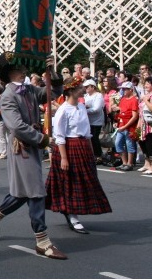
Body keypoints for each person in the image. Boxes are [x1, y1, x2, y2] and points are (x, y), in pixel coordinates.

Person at [0, 53, 67, 260]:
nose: (23, 72)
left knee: (22, 193)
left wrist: (51, 71)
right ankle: (42, 241)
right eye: (18, 69)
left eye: (23, 69)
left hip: (33, 146)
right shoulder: (8, 95)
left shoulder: (28, 89)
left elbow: (54, 93)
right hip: (22, 147)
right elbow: (16, 126)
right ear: (9, 73)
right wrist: (44, 139)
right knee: (36, 192)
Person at [45, 77, 112, 234]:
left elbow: (87, 133)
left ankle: (73, 211)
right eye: (79, 88)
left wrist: (90, 152)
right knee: (71, 182)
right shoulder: (63, 110)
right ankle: (72, 215)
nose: (83, 89)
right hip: (68, 147)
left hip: (82, 147)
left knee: (86, 181)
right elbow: (59, 136)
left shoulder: (81, 106)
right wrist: (64, 158)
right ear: (70, 91)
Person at [113, 81, 139, 171]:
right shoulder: (123, 99)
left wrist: (126, 126)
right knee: (118, 143)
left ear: (131, 90)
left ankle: (130, 163)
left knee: (129, 144)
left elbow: (134, 116)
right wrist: (117, 121)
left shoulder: (134, 100)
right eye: (123, 89)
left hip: (129, 126)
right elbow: (120, 112)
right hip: (121, 125)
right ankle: (124, 162)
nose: (123, 91)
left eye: (125, 89)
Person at [138, 76, 152, 174]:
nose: (146, 85)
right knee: (142, 143)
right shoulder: (146, 95)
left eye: (148, 83)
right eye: (145, 83)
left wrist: (146, 100)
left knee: (150, 143)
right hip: (142, 123)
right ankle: (147, 164)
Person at [82, 79, 105, 164]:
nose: (86, 88)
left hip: (96, 121)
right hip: (88, 120)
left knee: (95, 138)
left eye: (87, 87)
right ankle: (92, 155)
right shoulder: (86, 96)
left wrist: (84, 110)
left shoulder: (98, 95)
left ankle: (98, 155)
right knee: (89, 139)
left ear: (93, 86)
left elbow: (97, 109)